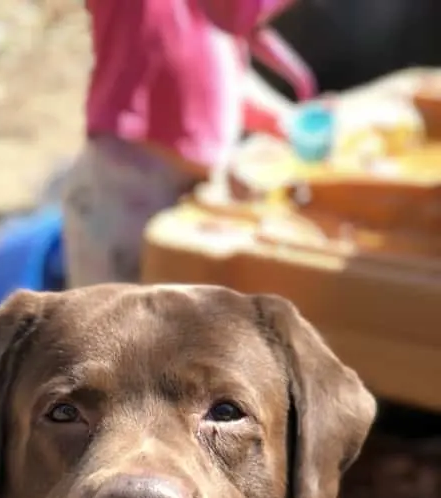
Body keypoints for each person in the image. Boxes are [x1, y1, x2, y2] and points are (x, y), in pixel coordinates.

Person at [62, 0, 315, 286]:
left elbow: (215, 74)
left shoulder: (213, 17)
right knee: (117, 320)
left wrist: (283, 120)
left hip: (191, 198)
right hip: (126, 194)